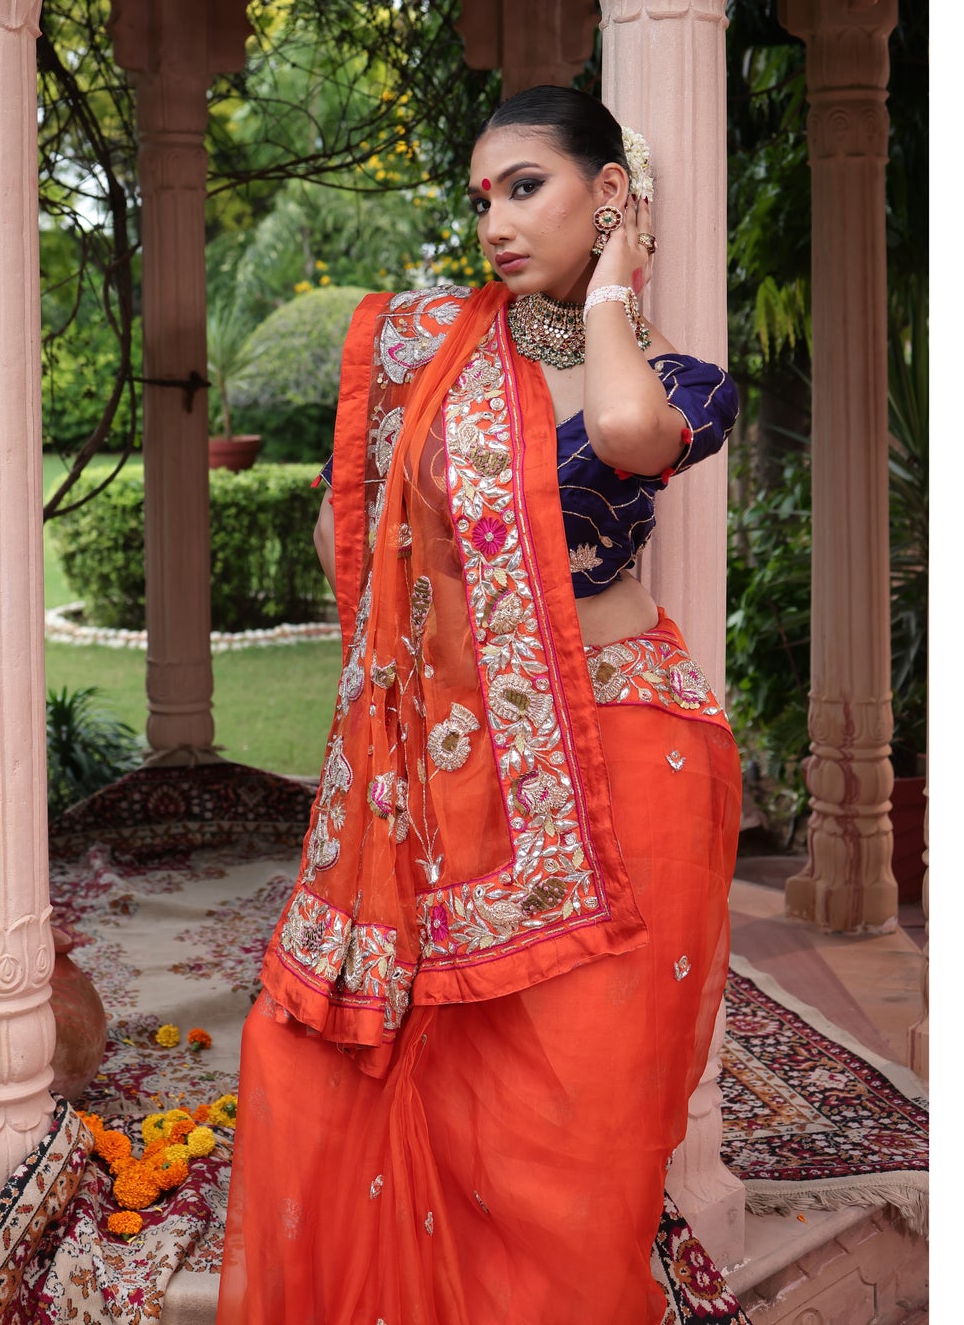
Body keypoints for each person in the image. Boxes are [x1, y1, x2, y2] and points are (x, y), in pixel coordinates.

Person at [216, 87, 742, 1325]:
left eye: (525, 187)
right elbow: (347, 536)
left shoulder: (683, 381)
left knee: (572, 1098)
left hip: (627, 751)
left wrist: (608, 290)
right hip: (458, 765)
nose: (494, 223)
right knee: (379, 1061)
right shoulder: (433, 355)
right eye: (480, 198)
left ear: (605, 194)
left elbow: (624, 430)